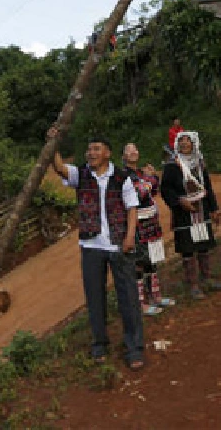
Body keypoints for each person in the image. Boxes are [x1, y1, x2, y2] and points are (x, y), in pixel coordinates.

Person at [49, 130, 144, 368]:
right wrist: (54, 142)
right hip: (91, 246)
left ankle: (134, 348)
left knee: (128, 297)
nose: (91, 153)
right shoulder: (81, 175)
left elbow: (132, 208)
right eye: (89, 149)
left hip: (118, 244)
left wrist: (129, 237)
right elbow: (59, 168)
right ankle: (99, 344)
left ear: (107, 153)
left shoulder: (122, 177)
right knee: (94, 297)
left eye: (96, 149)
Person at [160, 132, 221, 299]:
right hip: (183, 212)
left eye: (188, 140)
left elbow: (207, 186)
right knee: (188, 248)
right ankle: (193, 283)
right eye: (181, 141)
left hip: (201, 209)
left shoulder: (199, 163)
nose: (185, 143)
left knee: (203, 245)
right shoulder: (172, 165)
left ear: (194, 143)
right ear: (177, 145)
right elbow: (165, 189)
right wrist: (179, 201)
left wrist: (214, 208)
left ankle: (206, 278)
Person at [121, 144, 175, 317]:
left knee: (152, 260)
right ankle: (141, 303)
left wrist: (151, 179)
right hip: (137, 224)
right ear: (124, 156)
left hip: (151, 221)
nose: (133, 152)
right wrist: (150, 181)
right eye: (129, 150)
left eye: (135, 149)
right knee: (138, 263)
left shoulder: (141, 174)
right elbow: (139, 194)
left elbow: (153, 190)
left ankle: (156, 297)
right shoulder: (123, 176)